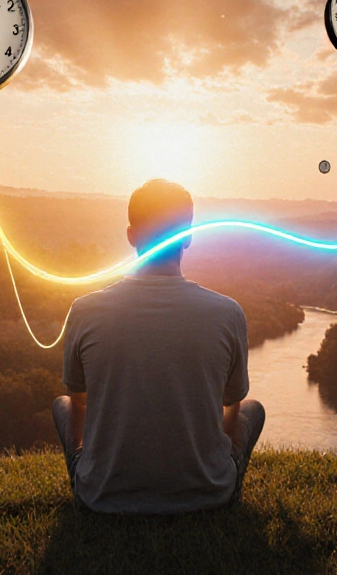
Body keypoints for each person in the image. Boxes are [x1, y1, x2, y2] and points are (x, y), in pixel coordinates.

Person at [52, 179, 265, 514]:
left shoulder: (84, 311)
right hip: (208, 495)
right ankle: (224, 486)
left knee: (62, 405)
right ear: (188, 237)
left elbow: (80, 406)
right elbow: (231, 407)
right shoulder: (227, 313)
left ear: (131, 236)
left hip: (102, 497)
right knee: (253, 409)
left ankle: (90, 479)